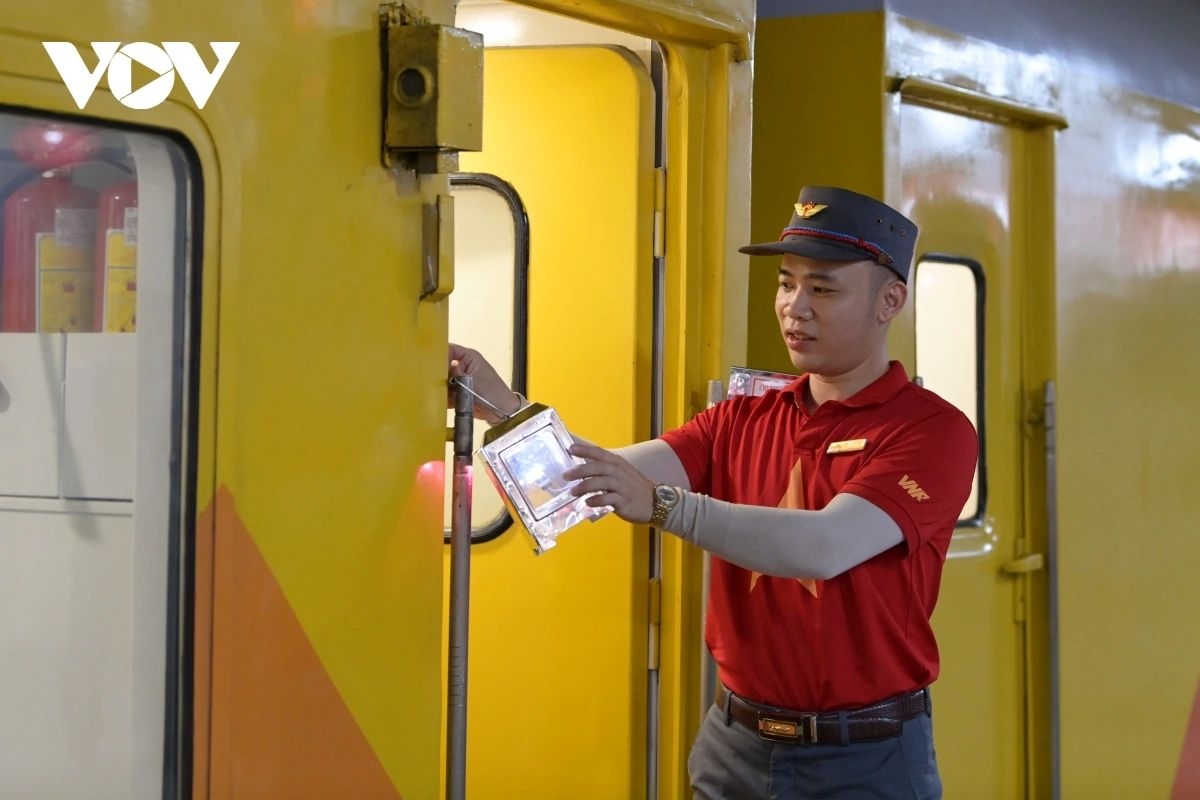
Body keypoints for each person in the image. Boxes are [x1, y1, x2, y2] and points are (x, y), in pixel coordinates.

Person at [448, 185, 978, 799]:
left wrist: (666, 505)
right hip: (735, 747)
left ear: (891, 300)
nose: (794, 308)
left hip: (865, 760)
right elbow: (583, 476)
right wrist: (499, 405)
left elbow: (826, 544)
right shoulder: (743, 418)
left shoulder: (932, 431)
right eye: (786, 283)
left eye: (823, 288)